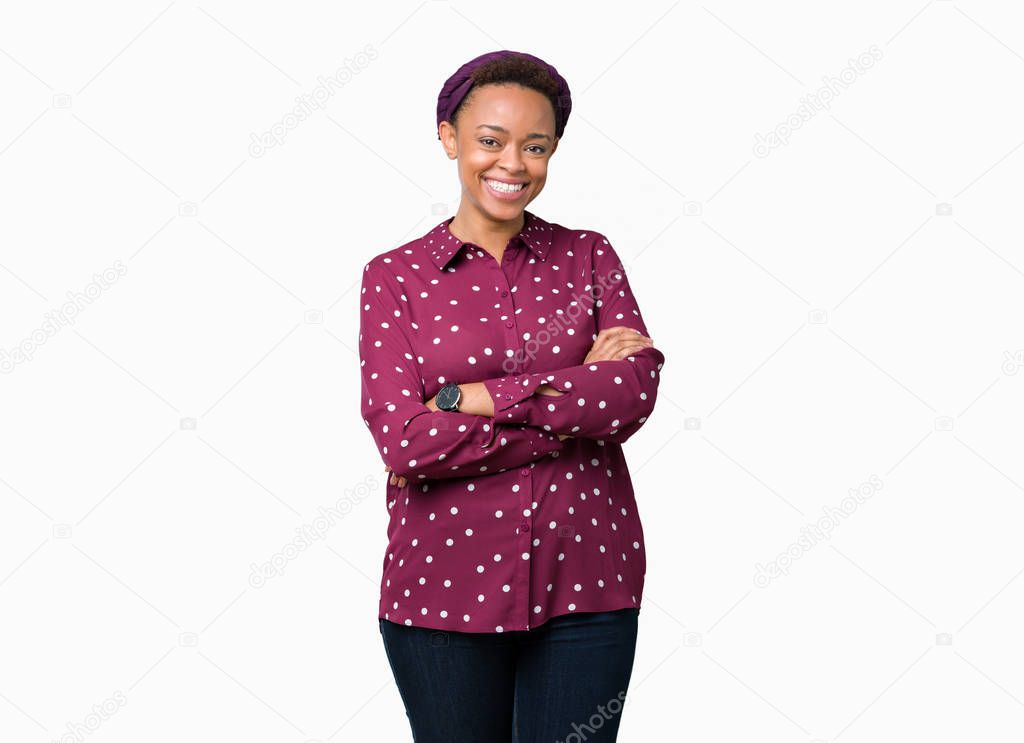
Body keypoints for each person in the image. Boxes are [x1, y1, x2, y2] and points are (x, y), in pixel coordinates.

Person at [358, 49, 666, 743]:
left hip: (588, 580)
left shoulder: (590, 256)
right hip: (441, 591)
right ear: (449, 139)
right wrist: (568, 410)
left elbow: (632, 392)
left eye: (536, 146)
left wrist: (466, 397)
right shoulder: (393, 277)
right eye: (490, 141)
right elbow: (405, 440)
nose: (512, 164)